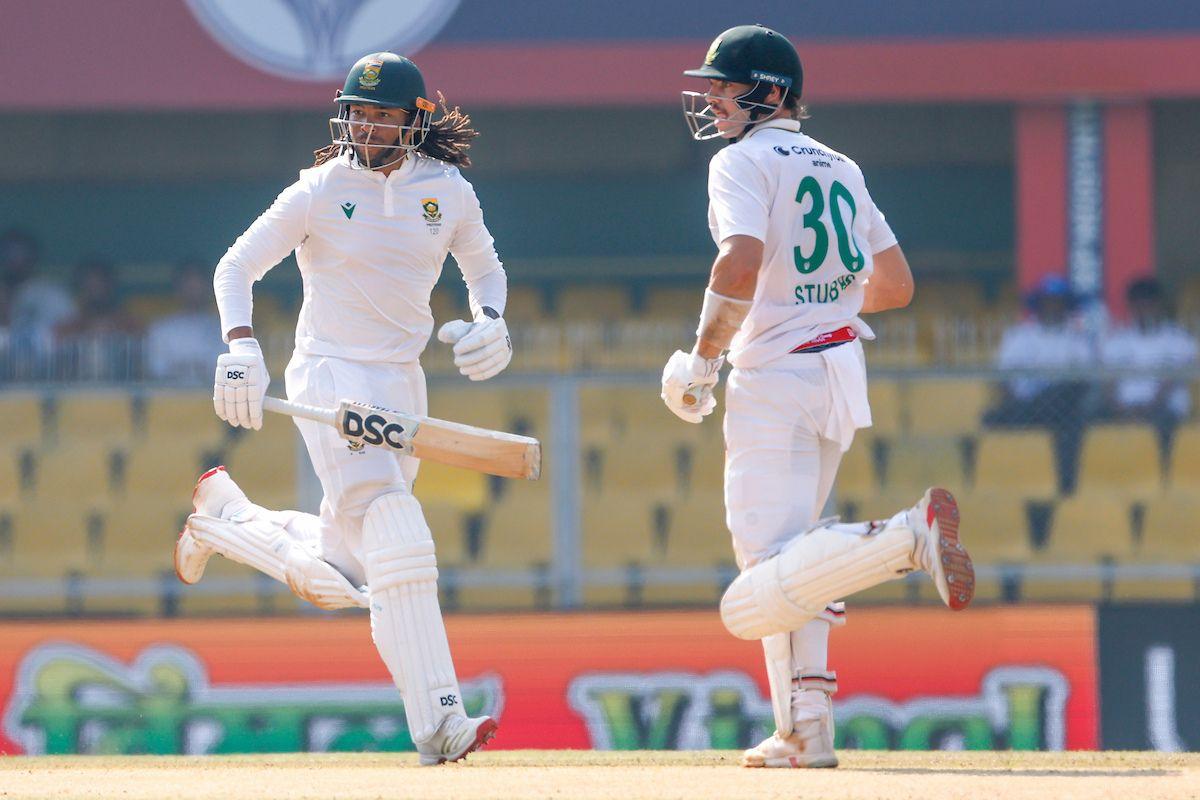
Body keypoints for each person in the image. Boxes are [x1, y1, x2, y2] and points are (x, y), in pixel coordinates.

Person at [172, 53, 510, 764]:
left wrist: (492, 320)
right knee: (395, 527)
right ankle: (440, 724)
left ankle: (224, 518)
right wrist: (240, 344)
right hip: (328, 375)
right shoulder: (320, 189)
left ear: (414, 120)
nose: (363, 123)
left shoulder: (447, 191)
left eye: (380, 113)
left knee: (352, 569)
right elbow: (236, 265)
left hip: (401, 382)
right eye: (355, 110)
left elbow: (483, 266)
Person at [661, 25, 975, 769]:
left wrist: (703, 359)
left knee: (761, 575)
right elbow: (894, 286)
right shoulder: (840, 163)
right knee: (792, 563)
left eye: (723, 84)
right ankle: (807, 729)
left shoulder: (740, 160)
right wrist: (820, 301)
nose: (710, 96)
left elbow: (739, 263)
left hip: (774, 375)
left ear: (768, 92)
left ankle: (909, 535)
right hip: (837, 370)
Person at [984, 275, 1093, 491]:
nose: (1053, 308)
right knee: (993, 418)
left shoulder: (1078, 339)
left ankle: (1066, 489)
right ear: (1039, 306)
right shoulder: (1019, 336)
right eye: (1048, 302)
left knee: (1067, 405)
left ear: (1066, 306)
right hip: (1026, 409)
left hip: (1064, 413)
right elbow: (1004, 380)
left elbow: (1082, 382)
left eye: (1058, 303)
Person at [1099, 277, 1197, 438]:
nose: (1143, 309)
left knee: (1163, 422)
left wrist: (1145, 410)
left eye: (1148, 303)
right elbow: (1109, 384)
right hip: (1122, 408)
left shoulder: (1180, 339)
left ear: (1159, 305)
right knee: (1093, 418)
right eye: (1138, 304)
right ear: (1130, 306)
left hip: (1165, 410)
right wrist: (1120, 410)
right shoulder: (1116, 340)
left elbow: (1169, 384)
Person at [53, 257, 143, 380]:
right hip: (76, 393)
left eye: (101, 284)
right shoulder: (65, 328)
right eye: (90, 285)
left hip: (121, 392)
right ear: (80, 288)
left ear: (112, 285)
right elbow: (57, 370)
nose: (96, 290)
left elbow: (141, 369)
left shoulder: (132, 325)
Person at [144, 260, 226, 382]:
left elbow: (226, 368)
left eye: (198, 283)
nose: (193, 289)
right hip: (170, 397)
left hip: (212, 395)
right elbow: (156, 368)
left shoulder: (224, 327)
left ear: (209, 286)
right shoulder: (161, 329)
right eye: (188, 283)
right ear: (178, 287)